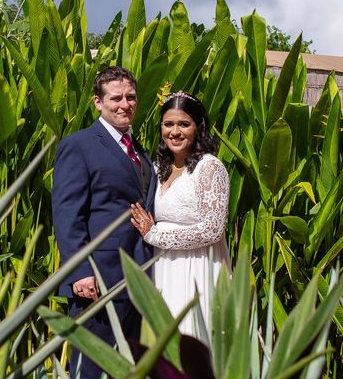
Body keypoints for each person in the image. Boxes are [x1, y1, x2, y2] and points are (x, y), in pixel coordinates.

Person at [52, 66, 156, 378]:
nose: (125, 104)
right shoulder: (79, 145)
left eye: (131, 97)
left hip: (137, 277)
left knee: (127, 367)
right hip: (98, 279)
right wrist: (80, 272)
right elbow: (68, 214)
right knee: (93, 366)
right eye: (116, 98)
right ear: (98, 102)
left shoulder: (139, 150)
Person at [130, 91, 231, 337]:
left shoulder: (210, 167)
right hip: (163, 267)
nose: (175, 132)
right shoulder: (158, 167)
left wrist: (155, 236)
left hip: (197, 268)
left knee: (193, 339)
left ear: (198, 127)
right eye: (168, 124)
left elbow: (213, 228)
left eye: (184, 124)